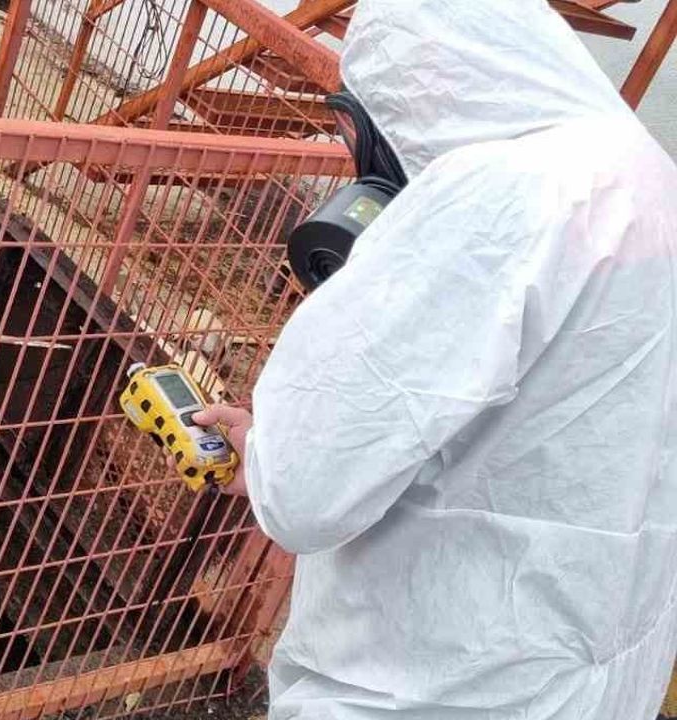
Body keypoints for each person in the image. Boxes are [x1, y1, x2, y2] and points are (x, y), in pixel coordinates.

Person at [194, 0, 677, 717]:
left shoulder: (498, 198)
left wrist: (267, 459)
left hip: (436, 681)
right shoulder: (650, 180)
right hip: (598, 670)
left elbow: (307, 488)